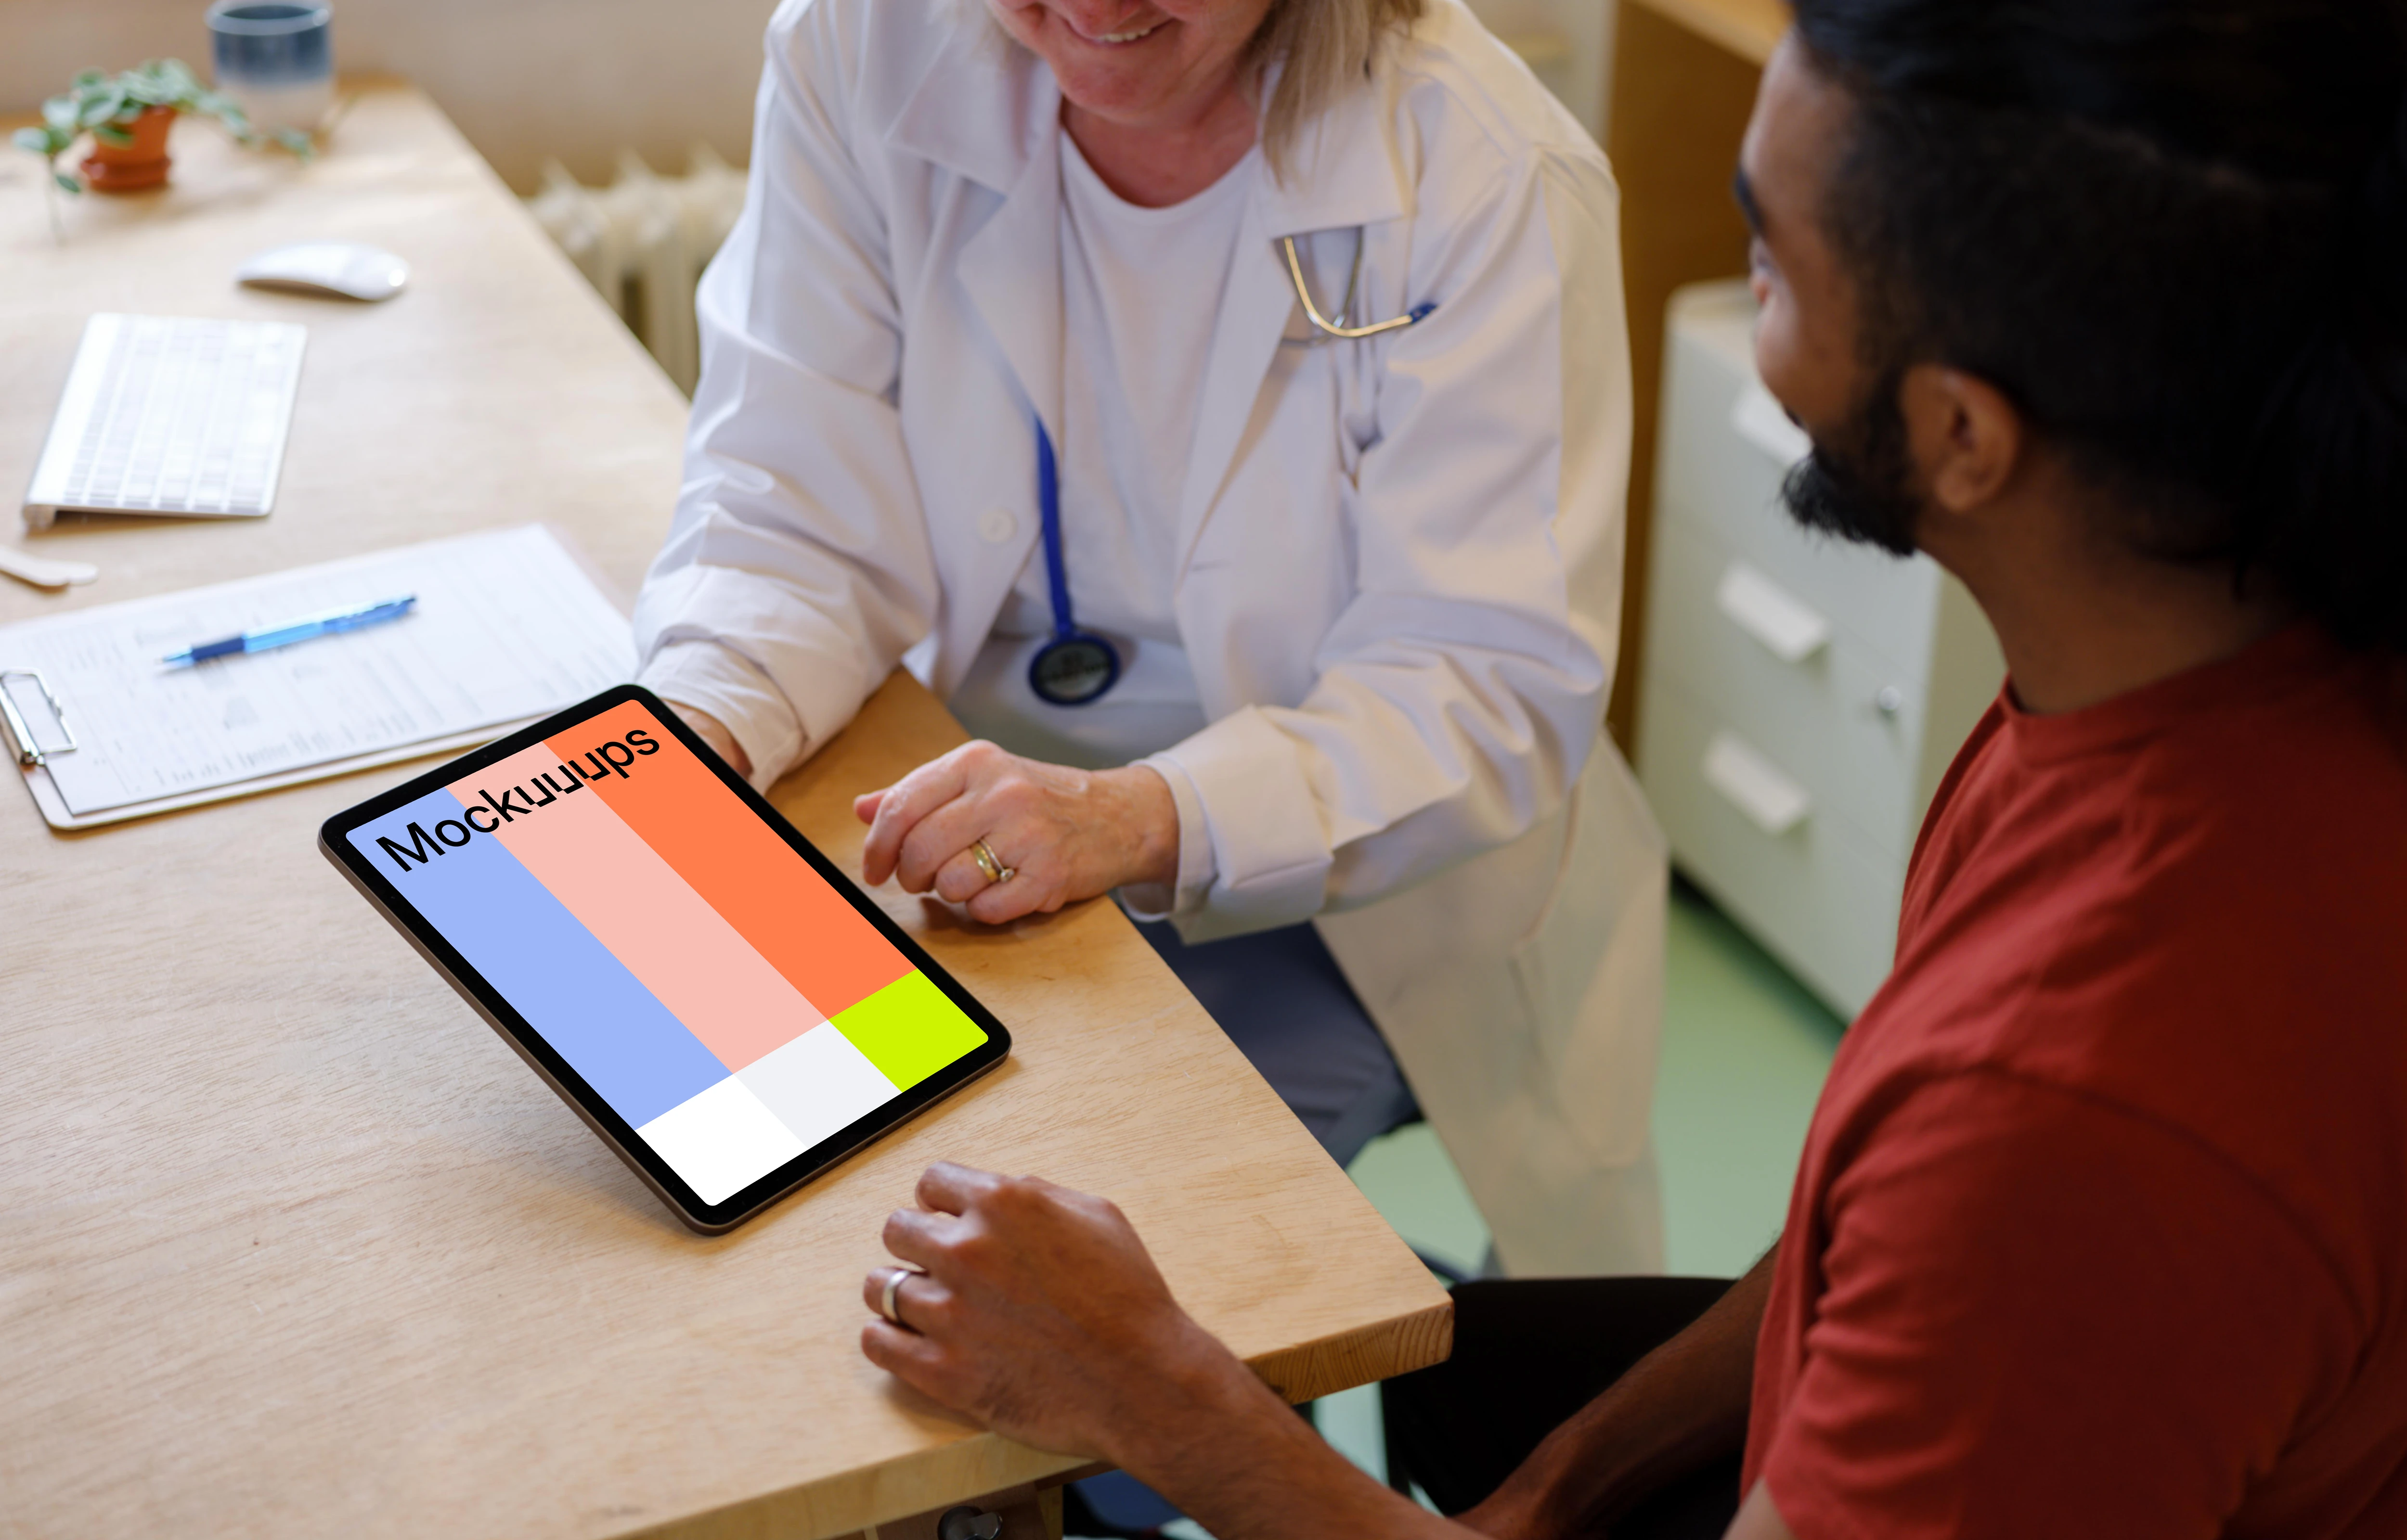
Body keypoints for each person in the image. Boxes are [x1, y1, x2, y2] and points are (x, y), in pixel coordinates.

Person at [851, 1, 2407, 1536]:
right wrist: (1556, 1490)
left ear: (1961, 434)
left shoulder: (2082, 1129)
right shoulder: (2174, 696)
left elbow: (1979, 1229)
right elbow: (1848, 1247)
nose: (1741, 294)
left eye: (1772, 261)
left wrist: (1152, 1391)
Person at [634, 0, 1669, 1275]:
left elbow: (1478, 676)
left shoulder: (1481, 165)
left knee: (1077, 1300)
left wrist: (1132, 820)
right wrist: (696, 720)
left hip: (1362, 878)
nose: (1097, 5)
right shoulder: (864, 47)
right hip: (981, 819)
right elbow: (791, 503)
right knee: (778, 1203)